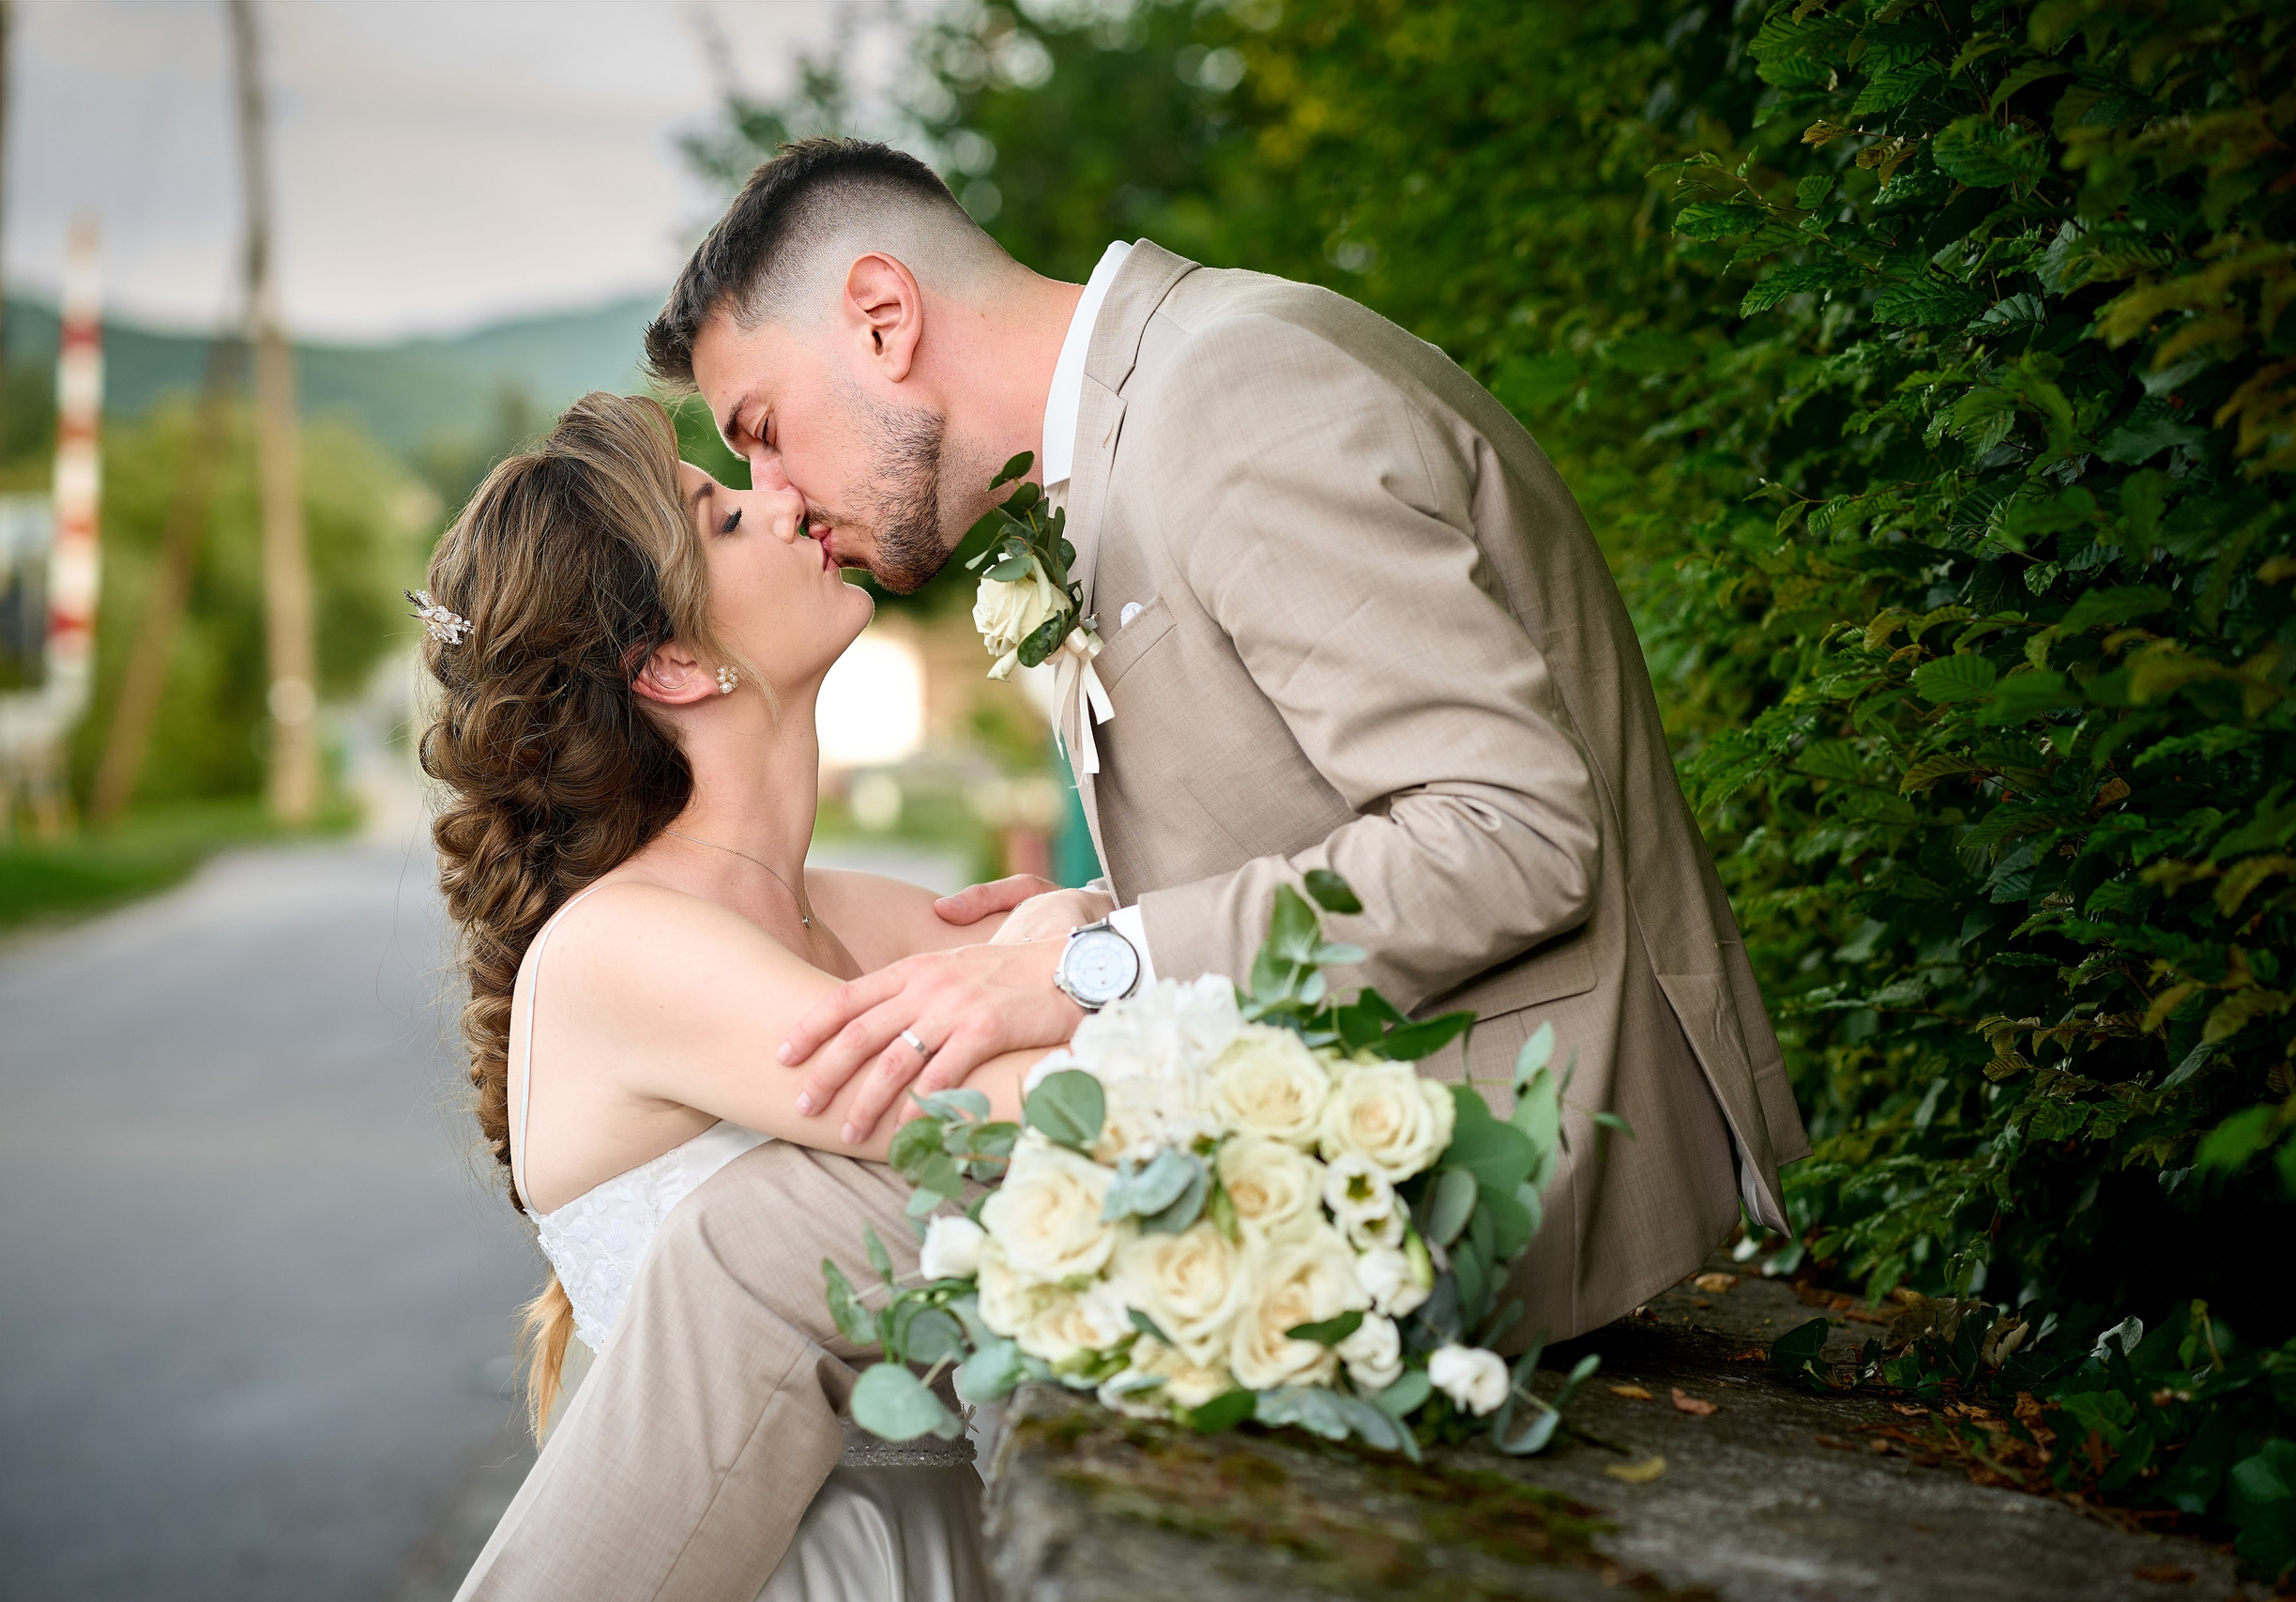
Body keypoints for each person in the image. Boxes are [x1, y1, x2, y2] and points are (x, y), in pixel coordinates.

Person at [458, 136, 1810, 1600]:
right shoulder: (1151, 429)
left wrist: (1097, 953)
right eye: (733, 481)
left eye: (764, 429)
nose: (772, 486)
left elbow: (1513, 829)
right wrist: (1093, 931)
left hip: (1511, 1130)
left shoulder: (1228, 397)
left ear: (883, 319)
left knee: (754, 1241)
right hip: (1356, 1129)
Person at [421, 391, 1056, 1601]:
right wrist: (1077, 964)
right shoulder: (622, 953)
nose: (783, 504)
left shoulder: (867, 913)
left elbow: (1111, 1027)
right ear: (672, 664)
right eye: (721, 518)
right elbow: (1042, 1108)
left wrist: (1077, 937)